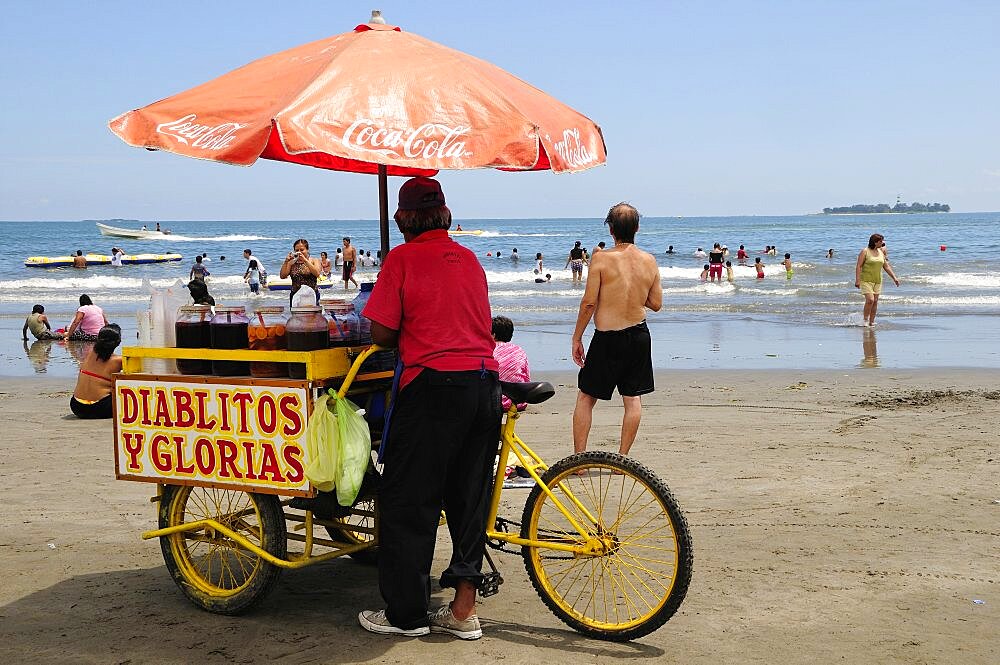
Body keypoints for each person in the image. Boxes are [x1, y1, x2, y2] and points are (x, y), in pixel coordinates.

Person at [357, 176, 500, 640]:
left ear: (404, 219)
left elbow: (380, 332)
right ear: (443, 214)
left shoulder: (401, 259)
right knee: (467, 500)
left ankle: (406, 615)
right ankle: (462, 611)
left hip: (434, 389)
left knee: (407, 500)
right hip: (484, 385)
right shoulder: (471, 260)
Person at [571, 202, 662, 457]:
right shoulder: (649, 260)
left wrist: (577, 337)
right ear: (637, 228)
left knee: (586, 398)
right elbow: (656, 303)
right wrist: (631, 294)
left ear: (611, 230)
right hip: (639, 335)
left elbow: (589, 302)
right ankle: (623, 458)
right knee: (632, 399)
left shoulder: (601, 259)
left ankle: (580, 458)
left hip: (607, 339)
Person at [70, 324, 122, 419]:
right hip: (100, 408)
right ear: (118, 342)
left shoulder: (89, 353)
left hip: (76, 406)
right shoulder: (118, 361)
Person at [855, 233, 900, 326]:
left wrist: (894, 278)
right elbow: (859, 266)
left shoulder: (881, 252)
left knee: (875, 301)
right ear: (875, 242)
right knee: (870, 300)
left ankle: (871, 322)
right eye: (881, 241)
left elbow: (886, 267)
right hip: (866, 280)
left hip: (878, 281)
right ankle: (865, 321)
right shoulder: (865, 251)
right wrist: (857, 280)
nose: (882, 243)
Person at [491, 316, 530, 411]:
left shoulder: (489, 350)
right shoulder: (519, 350)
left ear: (494, 335)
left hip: (494, 402)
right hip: (519, 401)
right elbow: (527, 378)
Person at [280, 238, 322, 304]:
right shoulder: (292, 263)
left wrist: (305, 260)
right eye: (297, 250)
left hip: (311, 295)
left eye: (302, 250)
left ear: (307, 250)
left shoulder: (314, 260)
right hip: (295, 295)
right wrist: (286, 261)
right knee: (296, 314)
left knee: (313, 314)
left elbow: (317, 273)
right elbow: (282, 276)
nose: (299, 252)